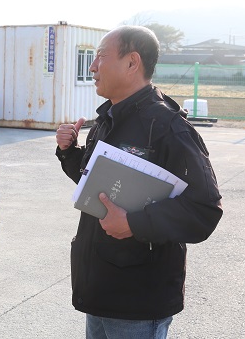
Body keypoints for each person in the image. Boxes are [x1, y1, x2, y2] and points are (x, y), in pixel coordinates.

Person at [55, 25, 223, 338]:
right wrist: (69, 153)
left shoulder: (168, 127)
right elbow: (93, 184)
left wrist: (134, 223)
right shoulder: (109, 120)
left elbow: (204, 210)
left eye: (101, 58)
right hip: (101, 289)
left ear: (132, 63)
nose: (92, 67)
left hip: (138, 302)